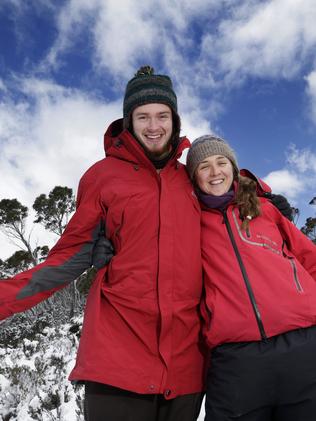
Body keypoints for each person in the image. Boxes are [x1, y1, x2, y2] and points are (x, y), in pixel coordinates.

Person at [0, 66, 207, 421]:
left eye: (162, 115)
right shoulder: (102, 176)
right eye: (143, 116)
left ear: (175, 120)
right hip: (118, 358)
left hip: (186, 363)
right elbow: (67, 257)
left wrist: (263, 199)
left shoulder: (190, 178)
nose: (153, 126)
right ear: (129, 121)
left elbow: (230, 211)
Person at [186, 134, 316, 421]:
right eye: (204, 166)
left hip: (304, 348)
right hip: (236, 362)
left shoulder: (265, 210)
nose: (215, 171)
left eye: (221, 162)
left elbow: (310, 260)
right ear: (194, 176)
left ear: (233, 167)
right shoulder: (188, 223)